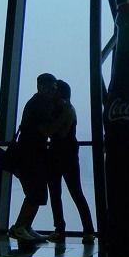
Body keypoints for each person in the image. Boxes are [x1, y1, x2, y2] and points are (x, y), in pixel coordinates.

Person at [9, 73, 62, 243]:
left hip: (29, 153)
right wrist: (63, 119)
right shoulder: (39, 105)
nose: (53, 92)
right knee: (35, 192)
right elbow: (47, 130)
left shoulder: (36, 103)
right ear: (41, 87)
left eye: (54, 89)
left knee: (35, 192)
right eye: (51, 89)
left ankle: (25, 226)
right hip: (31, 155)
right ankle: (20, 227)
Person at [46, 80, 97, 241]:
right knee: (75, 192)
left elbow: (57, 132)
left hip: (57, 152)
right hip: (68, 153)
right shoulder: (68, 109)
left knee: (57, 193)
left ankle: (60, 229)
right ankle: (88, 230)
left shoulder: (65, 110)